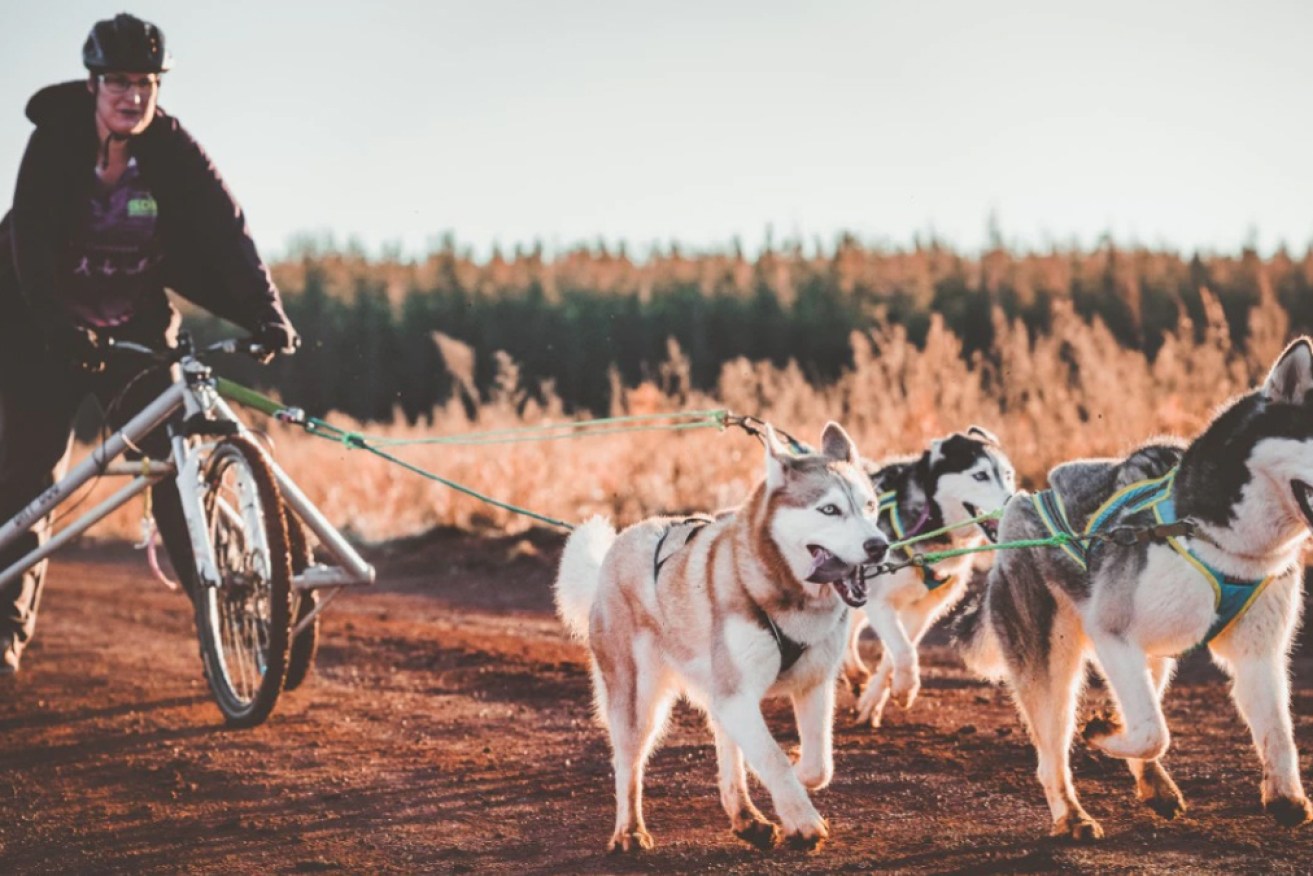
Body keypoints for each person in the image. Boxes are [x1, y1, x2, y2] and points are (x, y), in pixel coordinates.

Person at [0, 13, 299, 675]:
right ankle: (4, 636)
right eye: (119, 82)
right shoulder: (53, 143)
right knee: (28, 483)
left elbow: (227, 230)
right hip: (38, 326)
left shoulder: (170, 148)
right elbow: (28, 250)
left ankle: (236, 611)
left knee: (173, 462)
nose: (133, 95)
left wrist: (266, 312)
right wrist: (58, 330)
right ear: (92, 84)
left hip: (131, 328)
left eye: (145, 83)